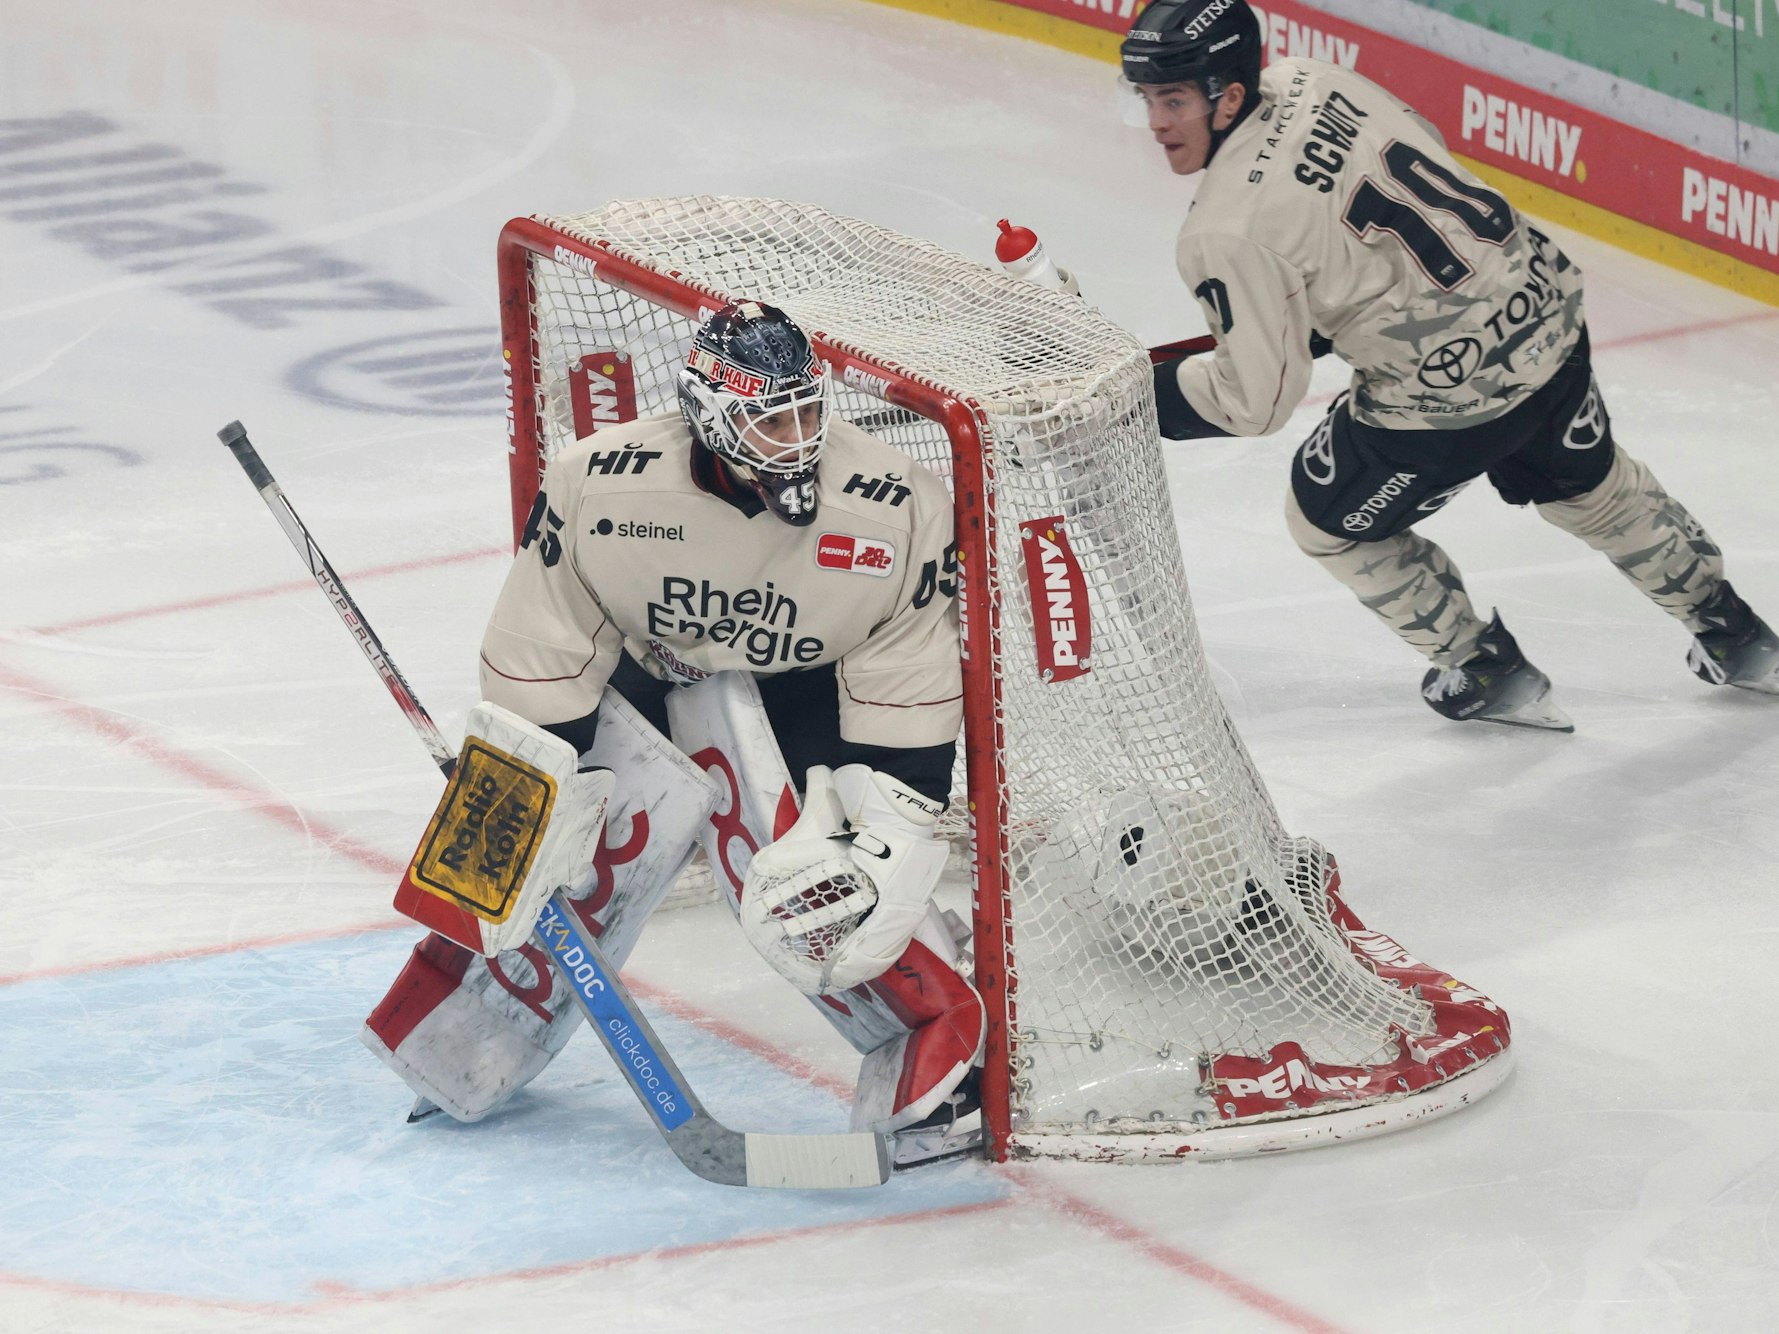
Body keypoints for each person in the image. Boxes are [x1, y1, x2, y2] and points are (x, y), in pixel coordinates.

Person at [362, 301, 982, 1166]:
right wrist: (535, 787)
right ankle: (455, 1038)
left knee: (829, 887)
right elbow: (546, 640)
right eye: (770, 421)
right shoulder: (600, 482)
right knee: (546, 863)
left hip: (805, 686)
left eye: (808, 411)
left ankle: (944, 1054)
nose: (797, 439)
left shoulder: (896, 504)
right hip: (648, 672)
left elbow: (904, 670)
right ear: (709, 412)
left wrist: (891, 833)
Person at [1122, 0, 1779, 727]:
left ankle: (1486, 669)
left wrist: (1138, 397)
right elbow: (1424, 148)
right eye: (1147, 98)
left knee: (1323, 519)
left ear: (1231, 96)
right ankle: (1740, 638)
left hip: (1449, 403)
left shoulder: (1222, 229)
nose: (1156, 122)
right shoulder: (1314, 78)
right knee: (1589, 484)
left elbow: (1255, 401)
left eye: (1173, 99)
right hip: (1543, 308)